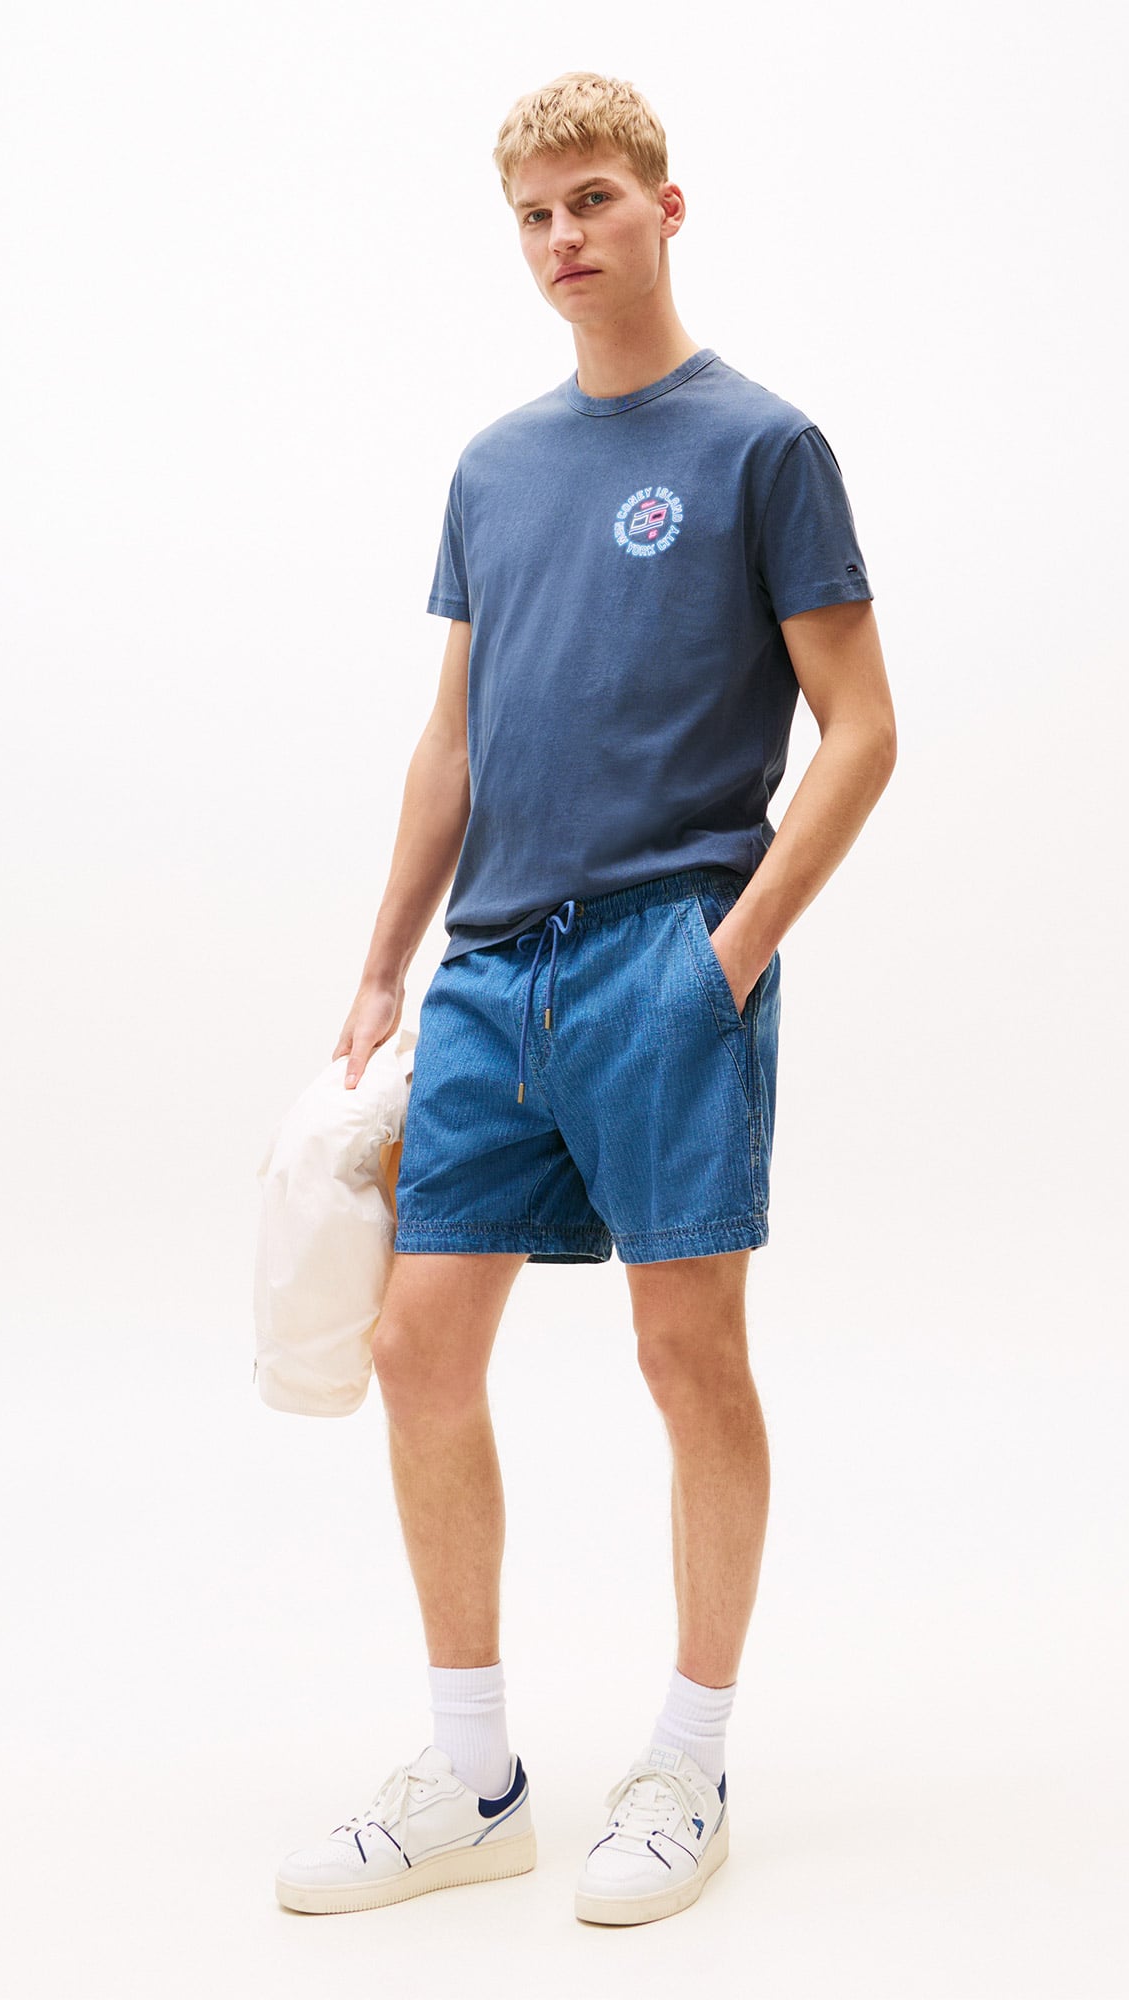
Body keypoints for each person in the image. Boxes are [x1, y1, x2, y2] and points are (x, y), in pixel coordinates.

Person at [275, 70, 897, 1927]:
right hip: (490, 972)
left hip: (663, 953)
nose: (565, 238)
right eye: (535, 215)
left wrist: (731, 952)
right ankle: (473, 1776)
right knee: (416, 1347)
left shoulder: (763, 446)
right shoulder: (493, 469)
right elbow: (451, 741)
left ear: (665, 207)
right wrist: (385, 963)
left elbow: (863, 729)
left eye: (595, 200)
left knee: (685, 1356)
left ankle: (688, 1765)